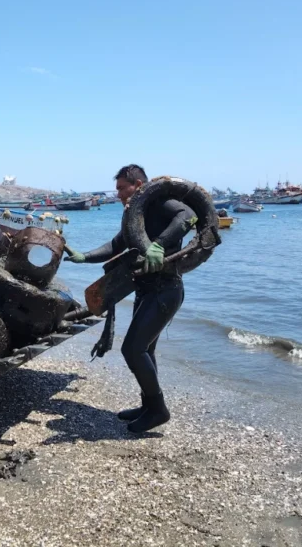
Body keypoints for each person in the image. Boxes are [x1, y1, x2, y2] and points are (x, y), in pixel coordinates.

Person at [66, 164, 196, 433]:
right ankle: (149, 406)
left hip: (166, 290)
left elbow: (189, 215)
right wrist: (84, 257)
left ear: (138, 185)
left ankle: (158, 409)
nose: (118, 194)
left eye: (121, 188)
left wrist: (159, 244)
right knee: (145, 350)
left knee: (132, 349)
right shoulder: (134, 215)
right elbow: (117, 245)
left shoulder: (160, 203)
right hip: (146, 290)